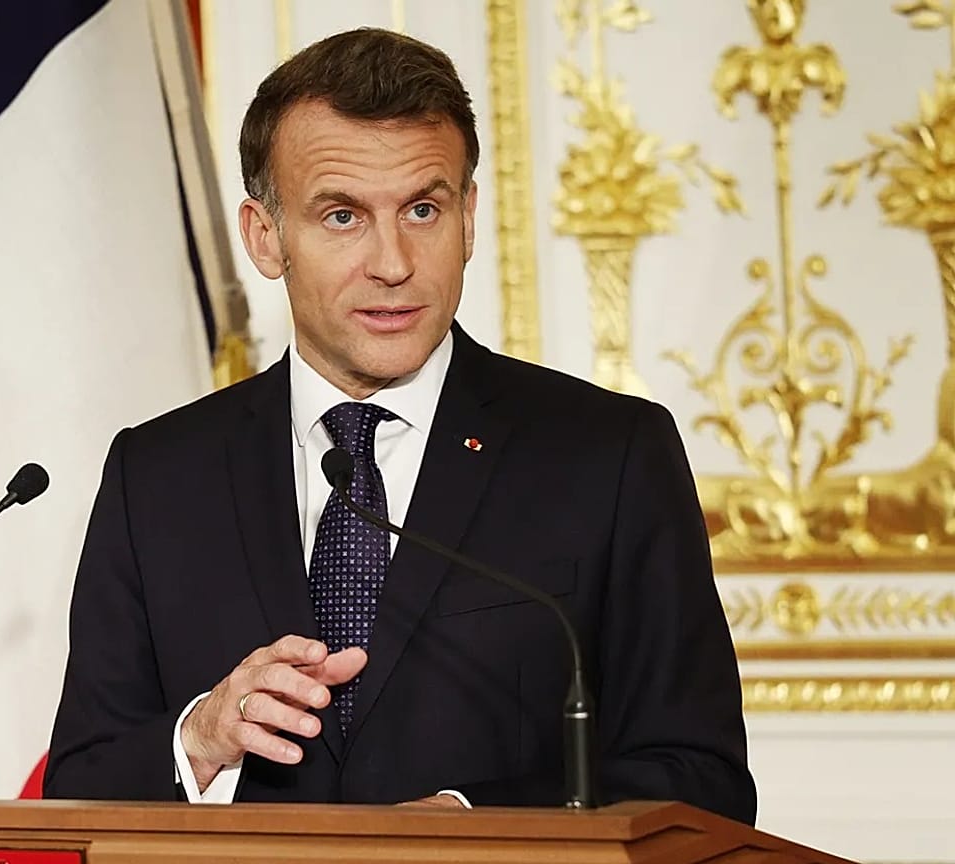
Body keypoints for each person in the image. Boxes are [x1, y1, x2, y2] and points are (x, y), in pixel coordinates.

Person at [42, 27, 755, 824]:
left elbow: (701, 776)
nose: (393, 262)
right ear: (265, 236)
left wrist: (470, 817)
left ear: (469, 216)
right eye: (342, 216)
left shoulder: (609, 455)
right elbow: (78, 785)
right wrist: (200, 741)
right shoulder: (158, 475)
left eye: (423, 208)